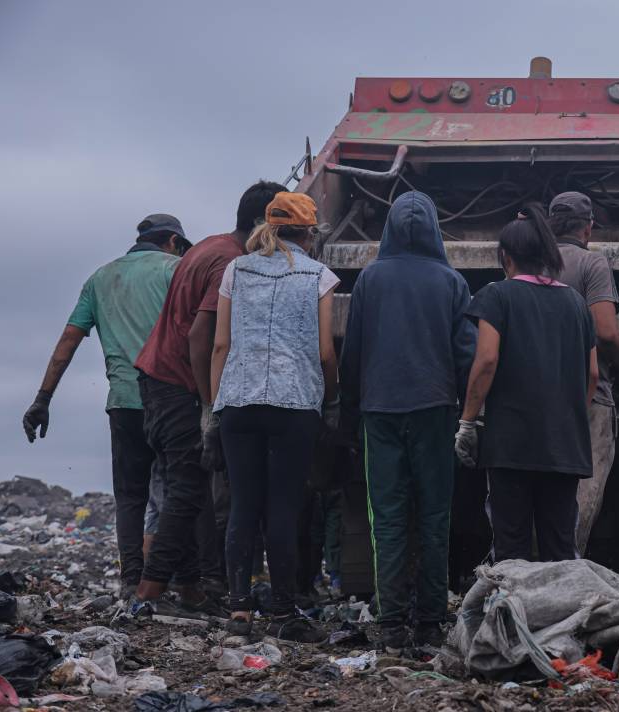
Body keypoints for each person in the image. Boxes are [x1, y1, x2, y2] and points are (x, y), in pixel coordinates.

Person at [125, 180, 285, 620]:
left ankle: (191, 589)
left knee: (185, 487)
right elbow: (201, 336)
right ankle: (148, 591)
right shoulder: (231, 262)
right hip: (178, 385)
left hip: (154, 379)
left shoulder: (209, 246)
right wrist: (208, 403)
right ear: (261, 225)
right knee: (187, 489)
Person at [340, 191, 477, 652]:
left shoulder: (370, 279)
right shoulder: (451, 281)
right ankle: (431, 624)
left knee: (390, 520)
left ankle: (393, 623)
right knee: (435, 517)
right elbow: (466, 356)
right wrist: (470, 414)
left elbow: (352, 353)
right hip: (435, 412)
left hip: (379, 412)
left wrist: (348, 415)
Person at [23, 215, 188, 598]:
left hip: (123, 404)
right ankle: (178, 581)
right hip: (173, 399)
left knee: (131, 496)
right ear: (173, 242)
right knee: (181, 492)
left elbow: (69, 339)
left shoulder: (100, 278)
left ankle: (132, 581)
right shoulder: (176, 271)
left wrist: (42, 399)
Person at [209, 191, 337, 642]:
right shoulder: (318, 275)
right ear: (307, 232)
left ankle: (239, 612)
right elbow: (324, 351)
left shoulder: (235, 270)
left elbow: (221, 345)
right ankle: (283, 613)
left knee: (244, 505)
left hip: (238, 401)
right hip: (294, 404)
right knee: (283, 508)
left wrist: (214, 405)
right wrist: (330, 395)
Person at [455, 206, 598, 566]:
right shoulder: (577, 303)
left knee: (512, 551)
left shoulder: (497, 296)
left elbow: (486, 360)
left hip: (511, 447)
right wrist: (570, 421)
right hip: (564, 448)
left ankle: (513, 620)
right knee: (560, 553)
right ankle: (562, 621)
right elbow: (593, 373)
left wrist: (468, 423)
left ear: (505, 256)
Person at [548, 191, 619, 555]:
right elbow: (607, 331)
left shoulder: (532, 263)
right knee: (583, 488)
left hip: (534, 392)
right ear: (589, 228)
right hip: (588, 393)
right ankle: (567, 566)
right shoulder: (592, 264)